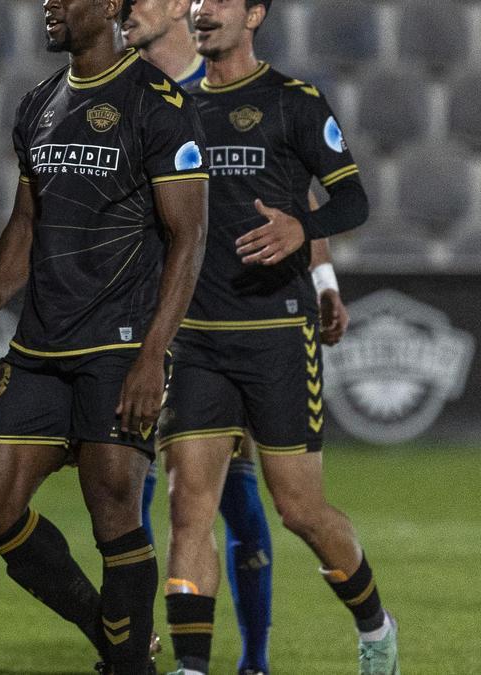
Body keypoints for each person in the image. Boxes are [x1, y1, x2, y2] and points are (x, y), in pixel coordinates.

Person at [0, 0, 209, 671]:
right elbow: (25, 222)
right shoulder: (38, 102)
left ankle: (127, 662)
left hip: (118, 347)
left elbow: (189, 236)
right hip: (39, 345)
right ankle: (113, 635)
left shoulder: (158, 102)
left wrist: (154, 355)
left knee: (115, 507)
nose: (50, 6)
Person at [158, 1, 397, 674]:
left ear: (255, 13)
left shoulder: (294, 100)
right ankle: (193, 666)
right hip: (197, 338)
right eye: (197, 2)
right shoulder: (172, 105)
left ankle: (376, 626)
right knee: (188, 508)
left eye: (221, 1)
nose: (203, 11)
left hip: (277, 336)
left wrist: (302, 226)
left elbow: (354, 199)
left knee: (300, 509)